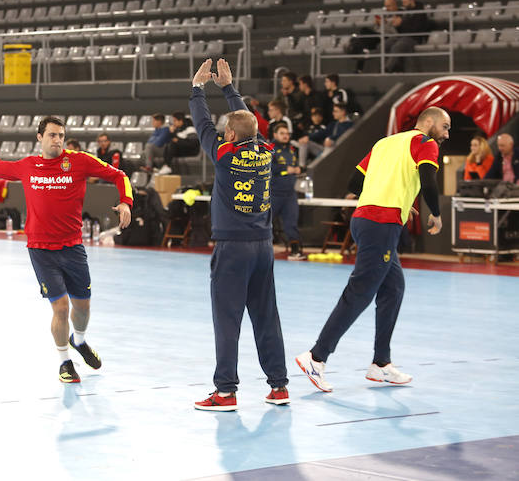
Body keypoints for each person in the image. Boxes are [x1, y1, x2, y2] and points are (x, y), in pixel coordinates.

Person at [296, 107, 451, 392]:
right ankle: (316, 357)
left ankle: (381, 364)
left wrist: (395, 197)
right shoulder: (424, 143)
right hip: (381, 224)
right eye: (444, 126)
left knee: (393, 289)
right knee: (360, 292)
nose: (446, 133)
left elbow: (355, 183)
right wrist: (436, 214)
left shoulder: (384, 143)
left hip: (365, 220)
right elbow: (428, 179)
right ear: (428, 122)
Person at [0, 112, 133, 383]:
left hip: (72, 247)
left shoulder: (79, 161)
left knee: (82, 308)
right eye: (51, 135)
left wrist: (126, 202)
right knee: (60, 307)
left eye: (60, 135)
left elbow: (119, 175)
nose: (57, 140)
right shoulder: (28, 165)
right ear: (39, 137)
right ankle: (64, 362)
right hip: (41, 249)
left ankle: (79, 341)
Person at [189, 58, 289, 412]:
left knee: (227, 320)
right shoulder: (265, 151)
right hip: (263, 246)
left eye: (226, 130)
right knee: (266, 317)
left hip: (232, 249)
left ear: (229, 135)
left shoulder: (224, 156)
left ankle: (226, 391)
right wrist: (229, 90)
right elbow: (250, 125)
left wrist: (198, 89)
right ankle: (278, 385)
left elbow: (202, 124)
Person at [270, 123, 304, 260]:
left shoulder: (292, 149)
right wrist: (285, 169)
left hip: (290, 193)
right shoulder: (269, 149)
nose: (285, 136)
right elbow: (268, 167)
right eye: (282, 133)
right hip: (273, 192)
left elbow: (295, 167)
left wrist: (298, 169)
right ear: (275, 135)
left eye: (287, 133)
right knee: (265, 222)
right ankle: (261, 249)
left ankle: (295, 251)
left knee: (291, 223)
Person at [344, 0, 399, 73]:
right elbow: (376, 29)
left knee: (364, 32)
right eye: (386, 6)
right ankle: (359, 65)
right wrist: (377, 24)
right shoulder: (386, 15)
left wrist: (384, 24)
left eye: (389, 6)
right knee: (364, 40)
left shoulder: (400, 15)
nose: (387, 8)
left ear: (395, 5)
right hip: (378, 36)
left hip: (388, 37)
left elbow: (395, 32)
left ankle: (354, 48)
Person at [385, 0, 430, 73]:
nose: (403, 4)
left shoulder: (420, 13)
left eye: (405, 2)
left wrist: (402, 23)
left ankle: (387, 69)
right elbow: (402, 31)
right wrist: (397, 25)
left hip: (415, 38)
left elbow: (416, 29)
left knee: (398, 46)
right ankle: (397, 68)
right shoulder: (405, 12)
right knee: (388, 43)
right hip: (404, 37)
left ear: (412, 0)